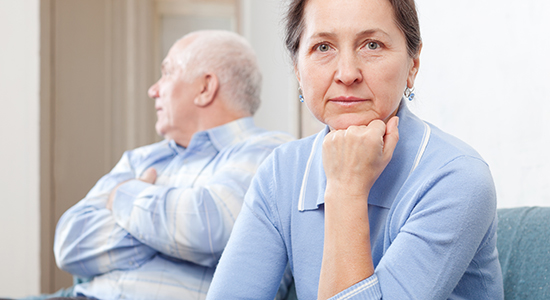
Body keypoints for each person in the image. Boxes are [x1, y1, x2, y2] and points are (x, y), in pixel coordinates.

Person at [206, 0, 504, 299]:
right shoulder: (282, 170)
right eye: (323, 47)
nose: (347, 74)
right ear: (298, 69)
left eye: (372, 45)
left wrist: (345, 188)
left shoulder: (458, 177)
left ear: (412, 65)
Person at [36, 30, 294, 300]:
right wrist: (170, 236)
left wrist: (126, 195)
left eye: (167, 73)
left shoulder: (269, 152)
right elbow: (70, 245)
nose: (153, 90)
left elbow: (210, 229)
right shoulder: (141, 159)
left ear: (205, 88)